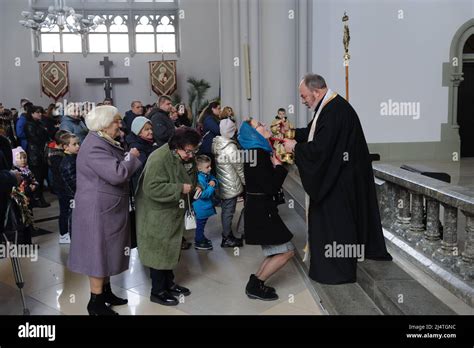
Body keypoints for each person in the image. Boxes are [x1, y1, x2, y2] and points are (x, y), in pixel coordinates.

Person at [283, 73, 392, 285]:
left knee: (335, 225)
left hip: (338, 182)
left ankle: (336, 271)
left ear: (316, 91)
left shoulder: (334, 111)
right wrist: (294, 133)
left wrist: (295, 147)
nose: (303, 101)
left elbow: (321, 150)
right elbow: (316, 135)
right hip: (339, 175)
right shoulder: (328, 106)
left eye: (304, 96)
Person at [67, 105, 142, 315]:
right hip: (96, 211)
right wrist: (132, 157)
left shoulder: (102, 141)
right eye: (115, 121)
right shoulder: (94, 146)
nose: (119, 124)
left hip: (107, 207)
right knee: (97, 255)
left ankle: (106, 292)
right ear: (103, 125)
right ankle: (96, 303)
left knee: (107, 252)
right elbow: (117, 173)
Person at [135, 127, 200, 306]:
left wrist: (195, 186)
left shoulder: (183, 155)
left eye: (193, 151)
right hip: (157, 212)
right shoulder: (159, 158)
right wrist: (179, 188)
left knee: (170, 249)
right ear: (176, 146)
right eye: (188, 151)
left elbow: (190, 177)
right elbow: (152, 187)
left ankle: (169, 284)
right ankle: (157, 291)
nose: (191, 155)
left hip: (173, 210)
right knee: (158, 252)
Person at [237, 119, 294, 301]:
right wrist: (279, 167)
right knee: (287, 251)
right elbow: (270, 186)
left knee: (276, 250)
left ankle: (255, 284)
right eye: (259, 124)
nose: (265, 125)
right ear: (253, 133)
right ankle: (257, 283)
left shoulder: (255, 151)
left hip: (259, 208)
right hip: (262, 210)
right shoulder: (259, 153)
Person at [212, 118, 245, 248]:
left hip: (223, 182)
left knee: (226, 210)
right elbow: (239, 167)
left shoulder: (217, 143)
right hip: (231, 184)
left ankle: (227, 235)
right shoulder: (230, 147)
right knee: (228, 211)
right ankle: (227, 238)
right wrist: (245, 182)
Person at [24, 105, 50, 208]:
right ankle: (37, 199)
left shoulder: (40, 123)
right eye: (37, 112)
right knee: (37, 178)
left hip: (41, 153)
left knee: (41, 176)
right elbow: (35, 139)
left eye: (40, 112)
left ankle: (39, 197)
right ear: (32, 114)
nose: (40, 114)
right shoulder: (29, 125)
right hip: (34, 154)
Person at [48, 130, 70, 243]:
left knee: (68, 209)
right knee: (64, 210)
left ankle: (68, 231)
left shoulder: (58, 154)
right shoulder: (56, 156)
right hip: (62, 187)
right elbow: (60, 174)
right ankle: (63, 233)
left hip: (63, 186)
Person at [192, 155, 218, 251]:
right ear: (199, 168)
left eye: (210, 166)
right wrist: (212, 187)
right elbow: (203, 194)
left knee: (202, 224)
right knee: (200, 225)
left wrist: (213, 181)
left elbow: (213, 178)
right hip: (200, 208)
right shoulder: (199, 179)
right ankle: (199, 241)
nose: (210, 168)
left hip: (204, 207)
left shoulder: (205, 175)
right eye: (207, 167)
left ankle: (201, 238)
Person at [126, 116, 158, 192]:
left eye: (151, 129)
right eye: (147, 129)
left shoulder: (148, 142)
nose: (151, 132)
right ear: (138, 132)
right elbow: (144, 167)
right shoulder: (136, 147)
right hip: (143, 187)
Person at [59, 133, 81, 244]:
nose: (78, 146)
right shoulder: (68, 163)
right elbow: (75, 184)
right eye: (74, 144)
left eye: (78, 143)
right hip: (75, 198)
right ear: (66, 147)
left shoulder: (75, 158)